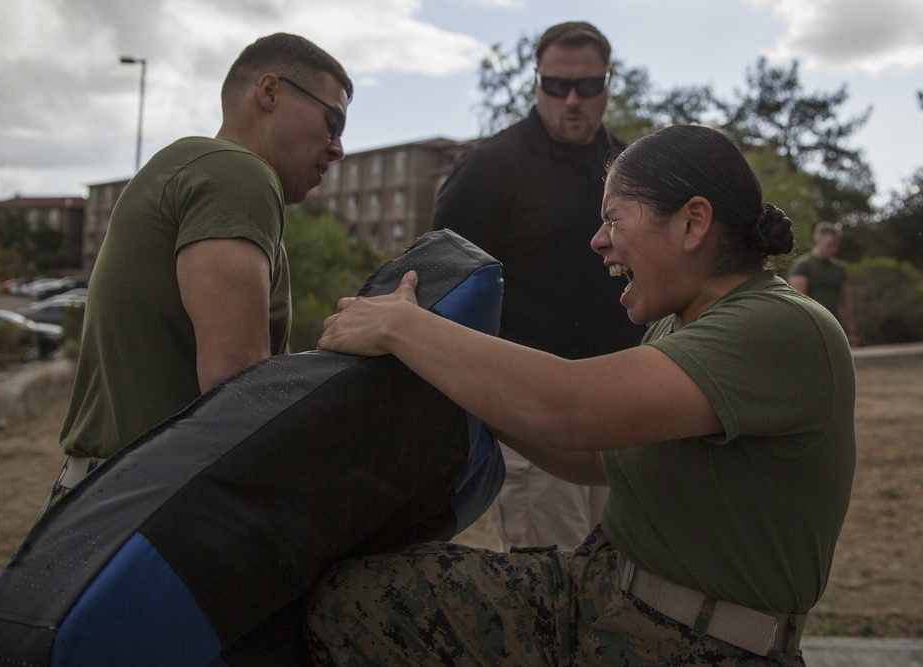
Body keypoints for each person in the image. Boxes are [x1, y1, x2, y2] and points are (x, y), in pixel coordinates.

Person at [306, 124, 856, 665]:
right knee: (351, 598)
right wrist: (459, 387)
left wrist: (405, 327)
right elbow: (594, 456)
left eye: (614, 217)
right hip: (596, 593)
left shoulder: (781, 327)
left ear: (693, 223)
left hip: (698, 641)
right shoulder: (680, 323)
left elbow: (568, 411)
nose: (598, 239)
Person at [49, 33, 352, 502]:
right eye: (333, 121)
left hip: (111, 494)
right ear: (269, 91)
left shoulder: (193, 169)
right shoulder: (237, 175)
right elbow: (237, 389)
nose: (338, 148)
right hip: (146, 506)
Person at [431, 21, 642, 551]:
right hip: (533, 421)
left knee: (627, 590)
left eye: (588, 86)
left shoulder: (637, 171)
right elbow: (440, 290)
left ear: (608, 85)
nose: (572, 99)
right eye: (556, 85)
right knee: (553, 598)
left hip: (628, 415)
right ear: (536, 84)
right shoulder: (488, 169)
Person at [788, 221, 860, 346]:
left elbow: (845, 301)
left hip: (834, 327)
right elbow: (798, 304)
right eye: (830, 245)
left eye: (836, 245)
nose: (834, 249)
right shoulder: (803, 266)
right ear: (817, 241)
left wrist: (852, 330)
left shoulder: (838, 268)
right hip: (812, 329)